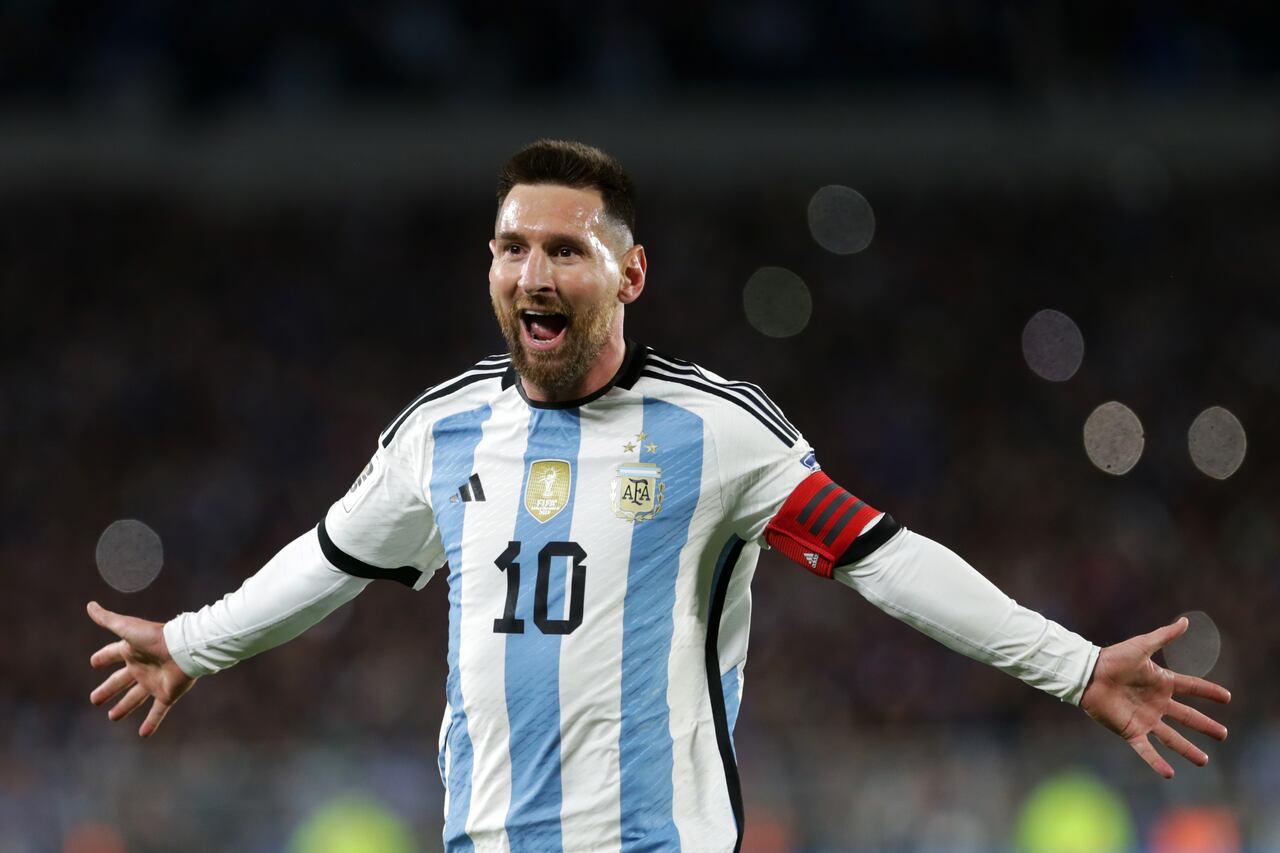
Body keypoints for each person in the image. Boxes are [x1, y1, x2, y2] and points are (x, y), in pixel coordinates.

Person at [87, 139, 1231, 853]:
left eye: (564, 251)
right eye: (508, 248)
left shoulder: (714, 432)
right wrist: (195, 642)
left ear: (626, 274)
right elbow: (326, 558)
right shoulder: (442, 433)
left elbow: (882, 554)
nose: (531, 273)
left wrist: (1070, 664)